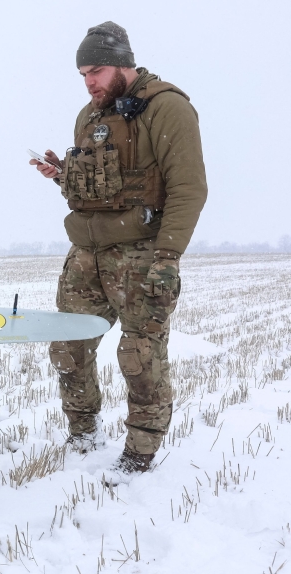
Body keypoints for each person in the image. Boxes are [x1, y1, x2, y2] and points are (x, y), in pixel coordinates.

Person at [30, 22, 207, 473]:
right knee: (68, 346)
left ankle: (141, 453)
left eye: (98, 70)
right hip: (86, 253)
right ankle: (83, 432)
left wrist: (168, 257)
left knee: (139, 355)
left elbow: (188, 189)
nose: (90, 81)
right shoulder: (88, 115)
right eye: (83, 73)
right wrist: (64, 176)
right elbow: (97, 188)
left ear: (124, 64)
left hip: (141, 254)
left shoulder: (167, 108)